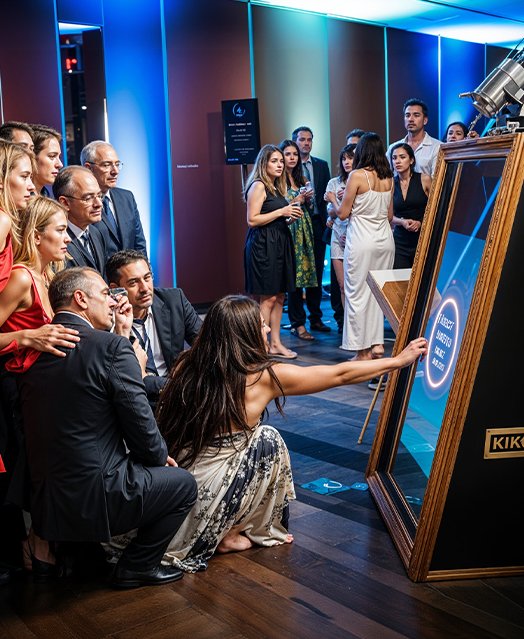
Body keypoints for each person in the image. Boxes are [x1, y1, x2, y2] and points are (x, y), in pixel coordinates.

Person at [154, 294, 428, 573]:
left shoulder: (187, 365)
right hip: (212, 493)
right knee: (267, 440)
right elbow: (340, 374)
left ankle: (221, 526)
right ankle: (228, 533)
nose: (267, 329)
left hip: (182, 487)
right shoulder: (262, 377)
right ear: (245, 334)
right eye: (261, 325)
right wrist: (397, 361)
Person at [17, 267, 198, 588]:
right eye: (105, 294)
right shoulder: (111, 347)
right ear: (81, 299)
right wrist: (159, 460)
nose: (113, 302)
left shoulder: (36, 349)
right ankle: (137, 565)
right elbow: (141, 426)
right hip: (97, 497)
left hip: (47, 499)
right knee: (183, 484)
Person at [106, 249, 202, 407]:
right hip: (136, 403)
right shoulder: (107, 321)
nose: (144, 288)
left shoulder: (174, 300)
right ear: (115, 289)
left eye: (147, 278)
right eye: (133, 283)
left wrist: (188, 365)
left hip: (177, 397)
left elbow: (207, 346)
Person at [337, 132, 395, 362]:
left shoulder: (357, 175)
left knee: (357, 293)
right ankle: (378, 344)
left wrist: (332, 199)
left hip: (362, 240)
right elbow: (389, 216)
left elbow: (343, 213)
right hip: (385, 240)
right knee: (378, 294)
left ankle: (361, 352)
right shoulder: (389, 177)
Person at [244, 144, 301, 359]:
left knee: (279, 296)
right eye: (274, 161)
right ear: (264, 163)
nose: (280, 165)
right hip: (263, 245)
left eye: (281, 161)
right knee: (267, 298)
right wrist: (281, 211)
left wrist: (288, 217)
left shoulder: (276, 186)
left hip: (279, 243)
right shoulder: (258, 185)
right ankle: (260, 346)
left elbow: (275, 217)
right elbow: (252, 220)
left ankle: (275, 343)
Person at [290, 126, 331, 333]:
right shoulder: (289, 167)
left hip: (317, 223)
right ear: (295, 142)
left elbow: (326, 196)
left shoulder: (321, 165)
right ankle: (297, 321)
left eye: (309, 140)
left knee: (316, 272)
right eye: (302, 139)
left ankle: (316, 318)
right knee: (297, 274)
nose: (306, 143)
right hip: (296, 224)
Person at [81, 141, 148, 258]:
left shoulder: (127, 197)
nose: (115, 171)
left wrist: (143, 268)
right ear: (88, 168)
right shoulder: (80, 203)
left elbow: (139, 243)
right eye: (107, 165)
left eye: (117, 164)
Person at [279, 139, 317, 341]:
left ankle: (307, 320)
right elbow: (278, 207)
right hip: (289, 229)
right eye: (288, 154)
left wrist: (308, 199)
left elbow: (307, 206)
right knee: (293, 278)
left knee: (304, 278)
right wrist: (297, 200)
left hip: (304, 229)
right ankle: (297, 323)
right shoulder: (277, 180)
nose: (292, 158)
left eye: (294, 154)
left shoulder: (301, 178)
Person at [53, 166, 108, 279]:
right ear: (65, 203)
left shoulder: (96, 233)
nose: (99, 204)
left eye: (99, 196)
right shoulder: (56, 242)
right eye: (88, 198)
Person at [324, 144, 356, 319]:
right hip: (337, 235)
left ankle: (360, 325)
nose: (346, 162)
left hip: (356, 234)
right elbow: (331, 212)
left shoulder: (363, 181)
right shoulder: (334, 183)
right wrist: (337, 204)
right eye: (344, 159)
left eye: (350, 158)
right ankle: (347, 324)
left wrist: (340, 200)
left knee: (356, 286)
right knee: (342, 285)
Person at [390, 143, 432, 269]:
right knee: (400, 278)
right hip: (399, 240)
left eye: (402, 157)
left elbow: (435, 208)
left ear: (411, 160)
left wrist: (420, 222)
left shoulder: (424, 179)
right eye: (394, 158)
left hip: (423, 238)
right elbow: (388, 216)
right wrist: (402, 222)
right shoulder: (390, 183)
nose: (397, 161)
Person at [387, 99, 441, 177]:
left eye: (416, 115)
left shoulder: (437, 147)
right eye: (407, 115)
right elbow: (386, 176)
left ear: (425, 120)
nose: (410, 119)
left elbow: (437, 180)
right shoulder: (393, 148)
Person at [30, 125, 63, 196]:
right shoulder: (17, 200)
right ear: (32, 157)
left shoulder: (46, 194)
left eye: (59, 157)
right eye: (52, 156)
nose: (60, 164)